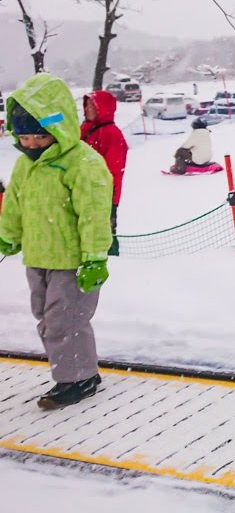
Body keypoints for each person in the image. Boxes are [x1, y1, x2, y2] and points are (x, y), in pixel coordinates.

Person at [0, 74, 113, 409]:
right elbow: (15, 204)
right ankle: (78, 370)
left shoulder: (82, 163)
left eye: (39, 135)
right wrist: (8, 235)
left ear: (58, 128)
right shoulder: (25, 165)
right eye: (25, 136)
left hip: (73, 261)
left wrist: (95, 257)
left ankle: (77, 379)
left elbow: (93, 213)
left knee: (66, 321)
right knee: (46, 319)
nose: (31, 143)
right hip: (38, 257)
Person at [81, 91, 127, 256]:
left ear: (103, 108)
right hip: (82, 192)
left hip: (104, 194)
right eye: (86, 104)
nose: (87, 109)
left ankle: (113, 262)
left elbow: (111, 170)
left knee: (105, 233)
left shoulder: (111, 134)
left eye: (92, 105)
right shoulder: (85, 128)